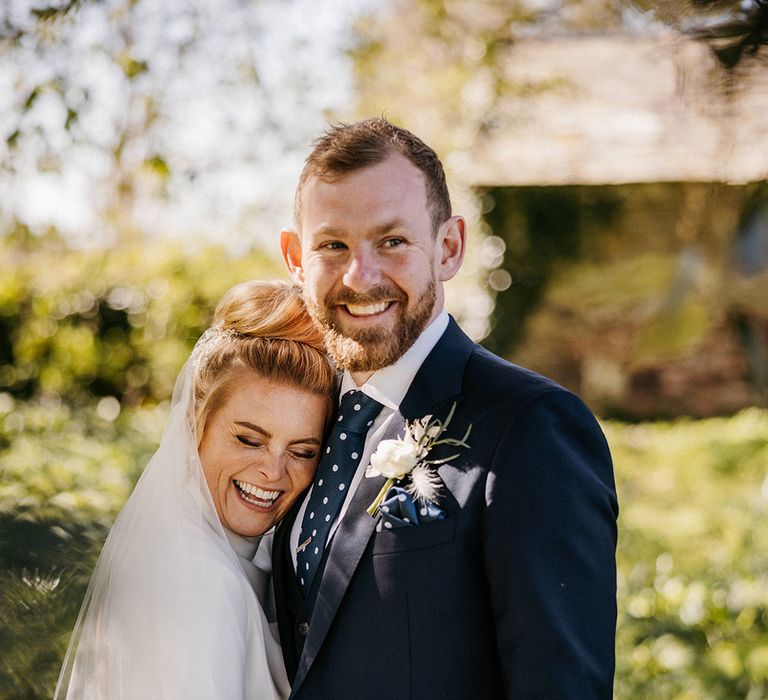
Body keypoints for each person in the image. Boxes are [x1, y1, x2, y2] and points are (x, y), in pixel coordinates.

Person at [274, 118, 619, 698]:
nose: (361, 277)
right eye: (332, 245)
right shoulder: (300, 421)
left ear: (449, 247)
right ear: (294, 257)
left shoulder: (531, 427)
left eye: (393, 241)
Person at [55, 280, 336, 700]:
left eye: (302, 451)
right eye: (249, 440)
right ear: (194, 423)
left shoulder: (233, 556)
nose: (273, 471)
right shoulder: (195, 580)